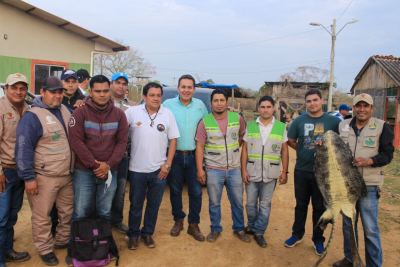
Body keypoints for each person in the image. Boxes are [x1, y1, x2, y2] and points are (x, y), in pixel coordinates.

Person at [67, 75, 128, 264]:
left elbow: (122, 143)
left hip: (110, 172)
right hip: (84, 172)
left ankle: (103, 248)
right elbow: (76, 142)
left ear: (109, 90)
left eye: (105, 91)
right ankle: (75, 250)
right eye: (97, 91)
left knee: (105, 213)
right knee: (80, 212)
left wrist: (108, 166)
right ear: (90, 92)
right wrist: (95, 166)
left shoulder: (119, 115)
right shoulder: (80, 113)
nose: (102, 95)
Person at [15, 76, 74, 266]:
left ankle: (63, 241)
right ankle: (45, 248)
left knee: (67, 212)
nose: (57, 96)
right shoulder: (32, 116)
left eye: (60, 92)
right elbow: (23, 149)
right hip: (44, 177)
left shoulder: (65, 110)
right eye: (52, 92)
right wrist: (28, 178)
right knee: (42, 217)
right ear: (42, 92)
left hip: (67, 174)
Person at [333, 94, 394, 267]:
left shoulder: (382, 126)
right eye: (358, 105)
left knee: (370, 230)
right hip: (346, 186)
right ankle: (350, 258)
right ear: (353, 108)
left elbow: (388, 155)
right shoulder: (343, 125)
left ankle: (374, 264)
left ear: (371, 108)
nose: (361, 109)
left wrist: (370, 161)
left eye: (365, 106)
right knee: (348, 227)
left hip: (369, 185)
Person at [284, 89, 341, 256]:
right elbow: (291, 141)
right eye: (308, 101)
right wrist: (303, 151)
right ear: (305, 103)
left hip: (323, 172)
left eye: (315, 100)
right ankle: (297, 234)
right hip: (302, 170)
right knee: (301, 205)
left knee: (319, 207)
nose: (312, 103)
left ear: (322, 101)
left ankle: (318, 239)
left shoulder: (333, 121)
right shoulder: (299, 121)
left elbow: (340, 143)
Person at [125, 82, 179, 249]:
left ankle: (147, 233)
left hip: (159, 171)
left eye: (158, 95)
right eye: (152, 95)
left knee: (153, 206)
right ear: (144, 97)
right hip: (136, 170)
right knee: (135, 205)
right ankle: (133, 235)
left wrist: (167, 165)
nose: (156, 98)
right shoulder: (132, 112)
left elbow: (173, 140)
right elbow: (118, 128)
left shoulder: (168, 114)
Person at [195, 89, 249, 243]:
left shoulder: (237, 118)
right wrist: (200, 169)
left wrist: (232, 152)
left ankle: (239, 229)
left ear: (227, 102)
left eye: (222, 100)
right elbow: (200, 146)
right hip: (213, 169)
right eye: (216, 100)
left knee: (238, 202)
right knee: (214, 202)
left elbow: (241, 136)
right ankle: (215, 229)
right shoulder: (205, 121)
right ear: (211, 103)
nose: (219, 104)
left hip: (234, 169)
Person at [163, 74, 208, 241]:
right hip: (174, 156)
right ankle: (178, 220)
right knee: (175, 190)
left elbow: (208, 124)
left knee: (196, 192)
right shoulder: (167, 105)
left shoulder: (200, 105)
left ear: (194, 89)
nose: (186, 90)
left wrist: (229, 110)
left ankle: (193, 224)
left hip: (194, 156)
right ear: (178, 88)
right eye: (183, 87)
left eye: (190, 87)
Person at [241, 96, 289, 248]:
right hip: (252, 171)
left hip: (271, 173)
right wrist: (243, 170)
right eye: (262, 107)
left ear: (273, 108)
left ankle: (259, 232)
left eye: (268, 107)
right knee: (250, 203)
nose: (265, 110)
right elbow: (244, 150)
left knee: (265, 204)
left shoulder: (281, 127)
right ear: (258, 108)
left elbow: (285, 150)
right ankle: (252, 226)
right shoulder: (251, 125)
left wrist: (285, 171)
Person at [0, 74, 31, 267]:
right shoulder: (1, 108)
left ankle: (8, 251)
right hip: (5, 172)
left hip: (21, 171)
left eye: (22, 88)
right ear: (6, 89)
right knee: (1, 218)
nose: (18, 92)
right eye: (14, 88)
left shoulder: (29, 109)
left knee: (12, 215)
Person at [109, 72, 136, 233]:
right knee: (103, 190)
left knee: (119, 191)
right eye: (117, 82)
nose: (121, 86)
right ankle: (101, 221)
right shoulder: (102, 101)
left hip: (123, 156)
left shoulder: (134, 106)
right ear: (111, 84)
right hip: (104, 156)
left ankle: (116, 221)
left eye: (124, 84)